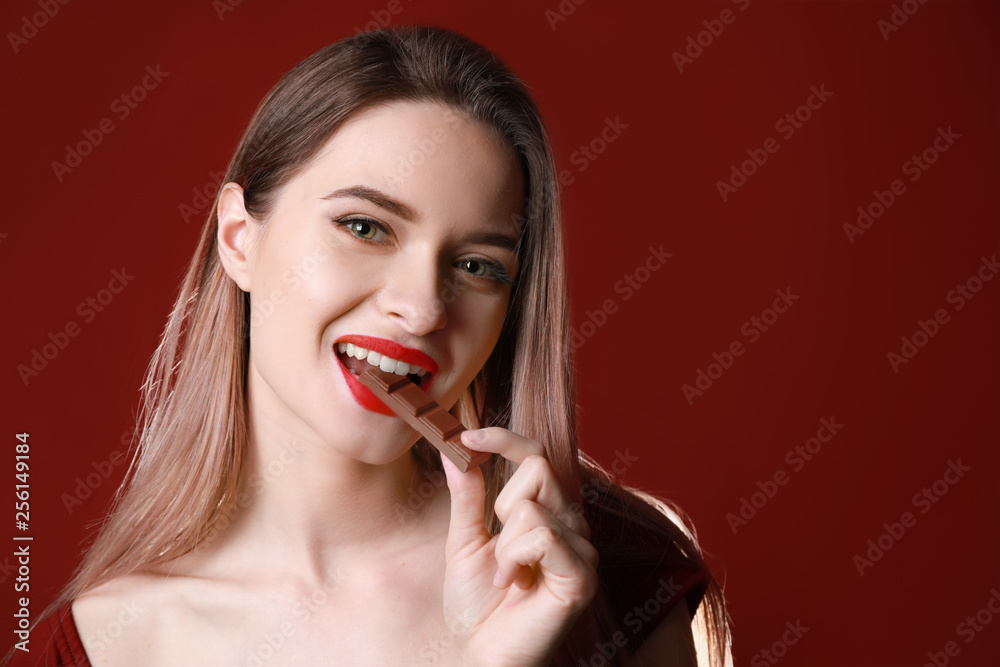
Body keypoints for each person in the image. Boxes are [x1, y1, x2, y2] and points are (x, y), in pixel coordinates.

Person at [6, 25, 731, 666]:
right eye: (364, 226)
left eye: (478, 266)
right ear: (238, 239)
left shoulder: (602, 577)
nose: (419, 310)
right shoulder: (97, 645)